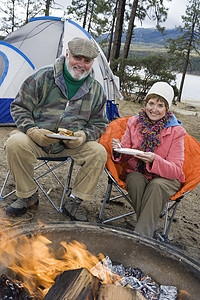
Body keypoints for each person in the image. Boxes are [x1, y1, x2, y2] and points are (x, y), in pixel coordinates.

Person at [5, 37, 108, 221]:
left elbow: (99, 123)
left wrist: (84, 136)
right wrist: (31, 131)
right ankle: (28, 195)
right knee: (15, 142)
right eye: (77, 58)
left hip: (72, 144)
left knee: (98, 152)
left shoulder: (96, 90)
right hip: (37, 139)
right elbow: (19, 107)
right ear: (67, 54)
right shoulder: (42, 77)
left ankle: (75, 201)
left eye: (87, 61)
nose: (81, 64)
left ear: (92, 62)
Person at [111, 82, 186, 238]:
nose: (154, 109)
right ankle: (148, 229)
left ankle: (140, 237)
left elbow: (176, 170)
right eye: (151, 103)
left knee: (155, 186)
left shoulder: (176, 131)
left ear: (167, 109)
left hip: (166, 178)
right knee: (135, 181)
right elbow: (124, 154)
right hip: (138, 172)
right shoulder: (134, 122)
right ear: (146, 104)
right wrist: (118, 149)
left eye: (160, 105)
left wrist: (153, 160)